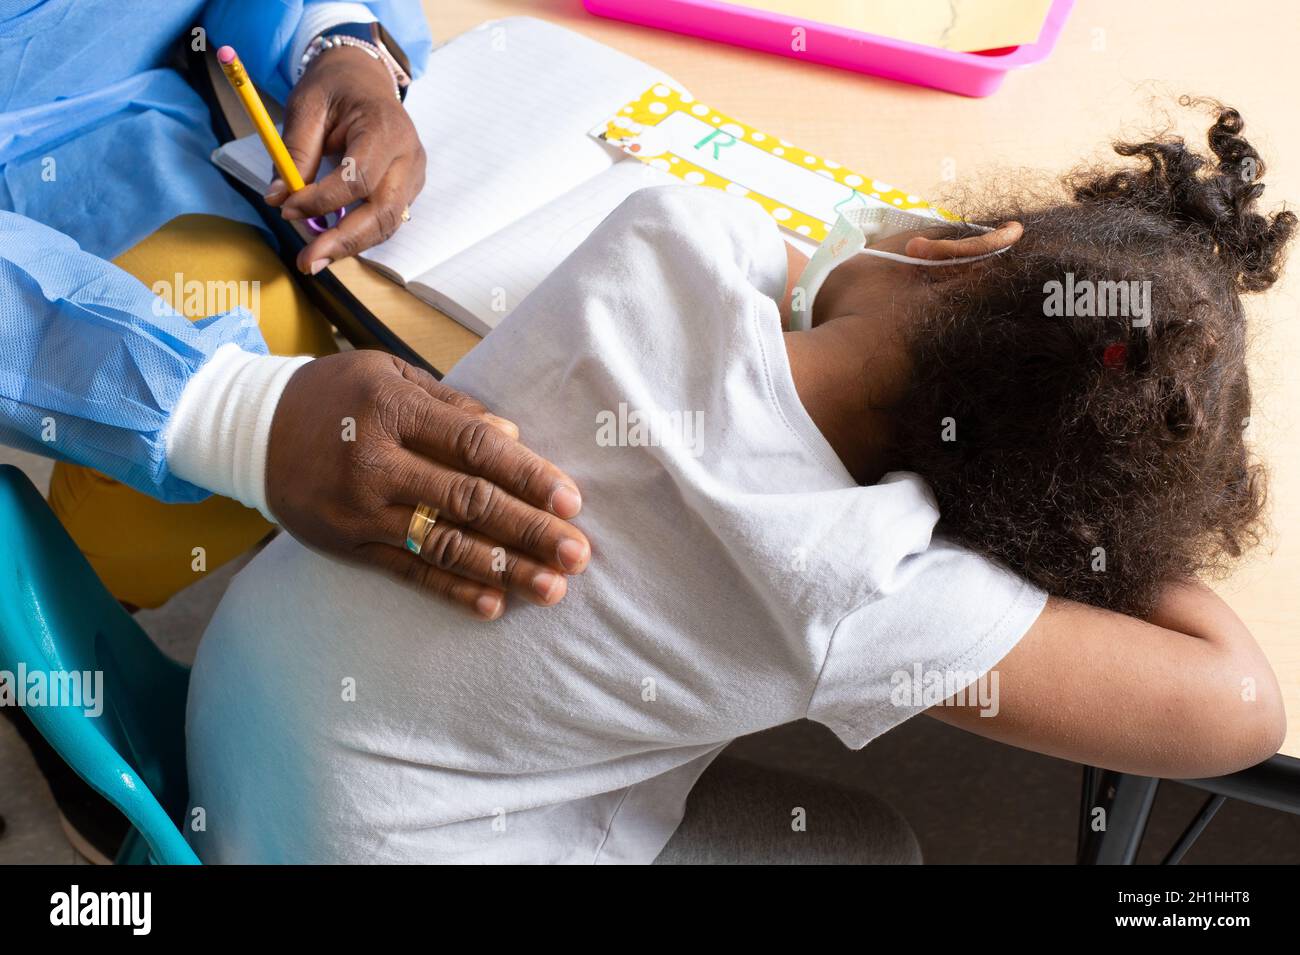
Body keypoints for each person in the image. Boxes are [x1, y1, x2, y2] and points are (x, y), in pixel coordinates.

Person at [184, 105, 1288, 863]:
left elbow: (816, 279)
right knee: (866, 851)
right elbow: (1238, 707)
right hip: (355, 839)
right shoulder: (866, 585)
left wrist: (917, 269)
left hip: (228, 717)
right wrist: (1095, 528)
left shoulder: (671, 237)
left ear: (954, 247)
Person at [0, 0, 588, 862]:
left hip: (134, 131)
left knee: (264, 318)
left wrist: (343, 44)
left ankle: (87, 617)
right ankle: (58, 638)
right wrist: (234, 418)